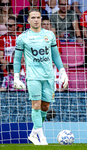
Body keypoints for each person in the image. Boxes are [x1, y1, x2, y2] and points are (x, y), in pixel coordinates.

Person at [13, 8, 68, 145]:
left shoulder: (49, 35)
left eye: (38, 17)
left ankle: (33, 134)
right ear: (28, 20)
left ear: (41, 19)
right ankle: (42, 138)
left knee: (45, 106)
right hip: (33, 76)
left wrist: (62, 71)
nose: (36, 20)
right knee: (36, 105)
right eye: (33, 18)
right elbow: (17, 58)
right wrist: (16, 77)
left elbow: (55, 55)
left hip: (49, 76)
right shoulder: (23, 37)